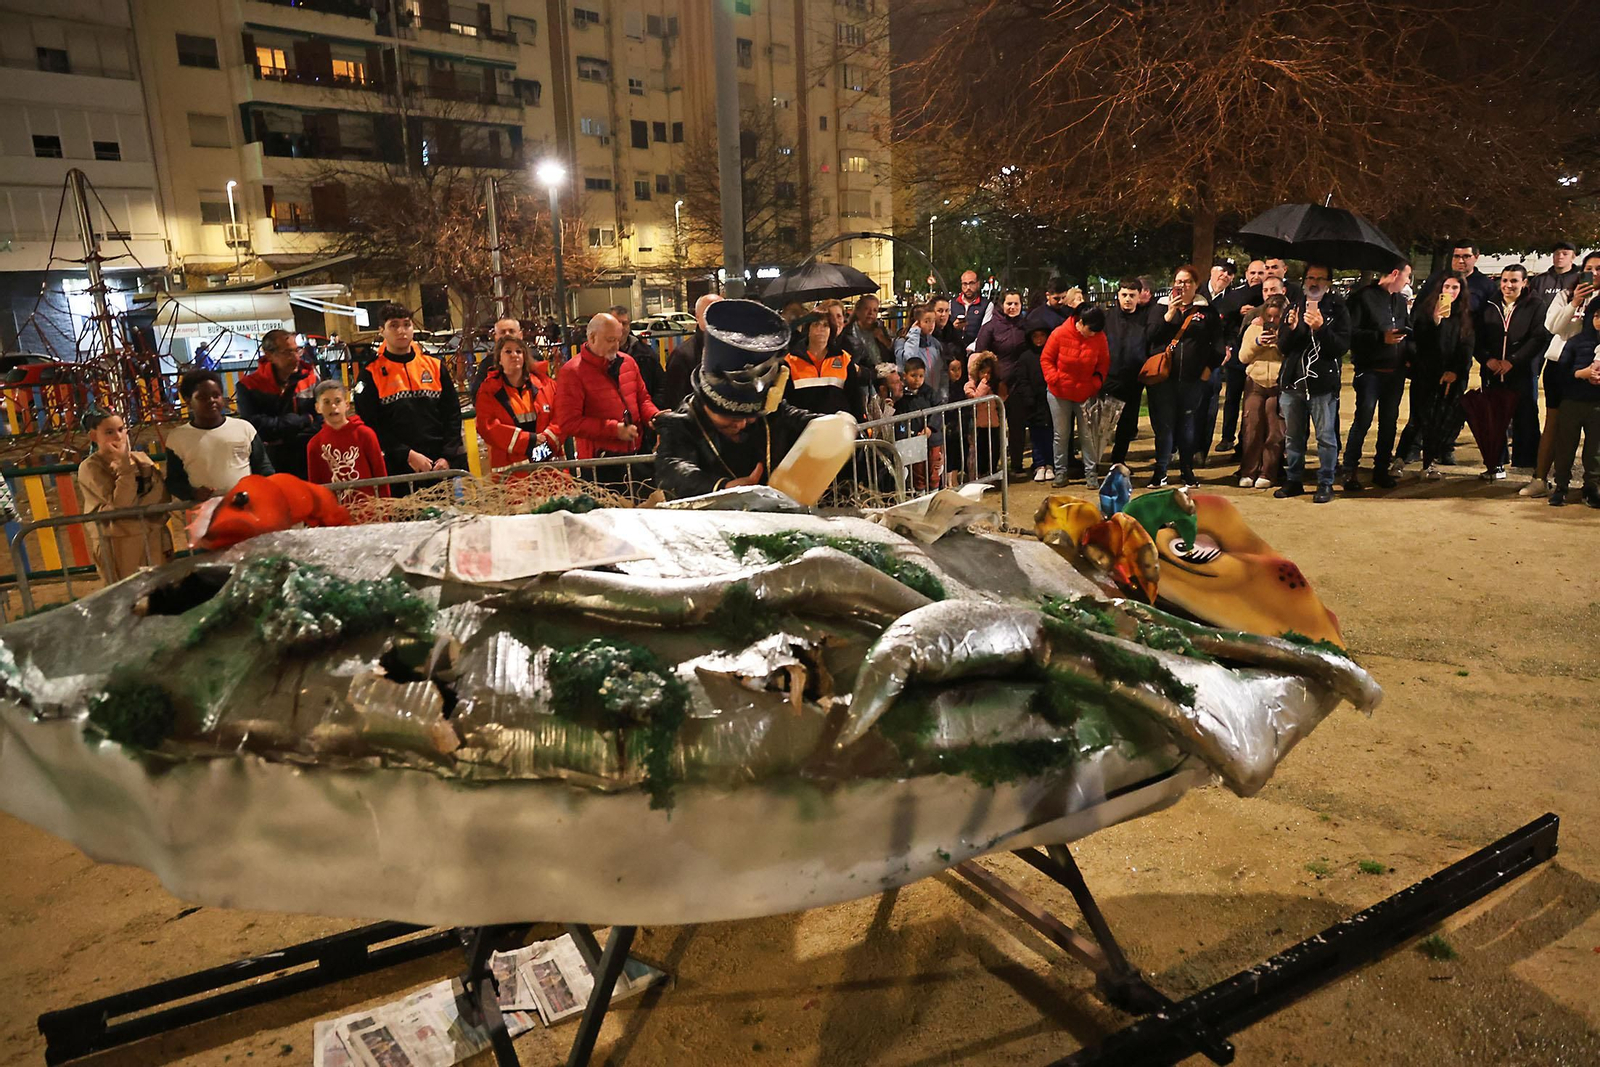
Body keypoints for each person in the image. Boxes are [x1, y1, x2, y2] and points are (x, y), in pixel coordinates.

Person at [655, 299, 815, 499]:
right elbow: (672, 470)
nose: (740, 424)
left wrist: (835, 425)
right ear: (707, 404)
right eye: (730, 417)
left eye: (748, 417)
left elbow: (803, 421)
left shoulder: (771, 412)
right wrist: (725, 488)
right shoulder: (680, 424)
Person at [352, 303, 468, 494]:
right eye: (394, 325)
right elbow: (371, 424)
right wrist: (406, 454)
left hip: (440, 466)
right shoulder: (370, 373)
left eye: (406, 324)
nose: (401, 331)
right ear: (381, 331)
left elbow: (452, 414)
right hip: (399, 470)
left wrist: (447, 456)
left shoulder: (435, 366)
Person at [1523, 254, 1600, 496]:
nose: (1594, 273)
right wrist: (1575, 302)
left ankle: (1592, 484)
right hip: (1560, 364)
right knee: (1554, 423)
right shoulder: (1567, 294)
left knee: (1594, 428)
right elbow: (1553, 327)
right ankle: (1540, 478)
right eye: (1589, 268)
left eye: (1599, 269)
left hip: (1592, 364)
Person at [1274, 263, 1351, 503]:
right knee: (1294, 437)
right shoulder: (1294, 306)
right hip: (1293, 384)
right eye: (1310, 278)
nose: (1314, 282)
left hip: (1321, 385)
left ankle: (1325, 483)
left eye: (1320, 278)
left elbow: (1341, 347)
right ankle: (1294, 480)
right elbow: (1283, 347)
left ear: (1328, 283)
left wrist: (1321, 328)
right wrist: (1292, 328)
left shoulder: (1338, 309)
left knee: (1326, 438)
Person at [1340, 259, 1414, 491]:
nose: (1408, 281)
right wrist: (1380, 338)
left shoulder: (1400, 301)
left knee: (1389, 422)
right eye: (1407, 276)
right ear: (1395, 273)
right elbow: (1351, 332)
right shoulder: (1363, 297)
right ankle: (1350, 469)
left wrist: (1409, 351)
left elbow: (1407, 327)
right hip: (1370, 370)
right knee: (1363, 419)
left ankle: (1381, 468)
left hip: (1396, 371)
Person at [1146, 265, 1221, 488]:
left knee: (1187, 426)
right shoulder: (1159, 308)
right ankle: (1160, 472)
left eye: (1187, 282)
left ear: (1196, 285)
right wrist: (1168, 315)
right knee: (1165, 427)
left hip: (1192, 380)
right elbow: (1150, 336)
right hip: (1164, 380)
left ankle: (1186, 470)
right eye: (1178, 281)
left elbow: (1217, 345)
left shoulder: (1207, 311)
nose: (1182, 286)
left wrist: (1207, 371)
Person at [77, 410, 172, 582]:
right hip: (117, 542)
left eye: (121, 429)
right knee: (126, 596)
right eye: (109, 432)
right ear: (93, 435)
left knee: (159, 591)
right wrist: (125, 469)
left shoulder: (141, 458)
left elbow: (162, 496)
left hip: (151, 537)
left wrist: (136, 507)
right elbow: (121, 503)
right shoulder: (91, 467)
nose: (118, 436)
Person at [553, 312, 661, 461]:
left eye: (618, 340)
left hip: (636, 453)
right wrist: (614, 430)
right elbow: (568, 422)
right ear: (592, 338)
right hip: (600, 460)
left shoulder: (627, 362)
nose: (616, 346)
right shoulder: (572, 372)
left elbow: (642, 399)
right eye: (610, 340)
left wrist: (654, 415)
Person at [1475, 265, 1549, 478]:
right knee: (1494, 417)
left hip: (1521, 370)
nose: (1508, 285)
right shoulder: (1489, 304)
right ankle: (1495, 463)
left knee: (1526, 415)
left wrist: (1513, 361)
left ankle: (1527, 463)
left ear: (1524, 282)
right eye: (1505, 280)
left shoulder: (1536, 304)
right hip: (1492, 370)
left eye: (1514, 281)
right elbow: (1477, 337)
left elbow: (1538, 337)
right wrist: (1487, 359)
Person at [1398, 274, 1475, 479]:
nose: (1450, 291)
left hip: (1449, 377)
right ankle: (1399, 459)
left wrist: (1456, 371)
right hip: (1424, 374)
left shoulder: (1464, 316)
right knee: (1417, 418)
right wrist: (1436, 321)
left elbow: (1466, 347)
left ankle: (1428, 464)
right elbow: (1417, 342)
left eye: (1455, 287)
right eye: (1447, 286)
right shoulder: (1425, 312)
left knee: (1437, 421)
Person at [165, 369, 274, 501]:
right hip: (203, 514)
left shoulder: (244, 428)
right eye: (202, 397)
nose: (211, 401)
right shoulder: (177, 438)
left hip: (245, 509)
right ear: (188, 401)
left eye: (216, 395)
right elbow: (174, 482)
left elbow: (263, 468)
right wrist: (193, 493)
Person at [236, 328, 320, 479]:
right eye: (287, 352)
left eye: (297, 351)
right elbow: (255, 428)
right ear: (269, 355)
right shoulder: (249, 386)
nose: (295, 358)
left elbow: (322, 418)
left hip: (307, 458)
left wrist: (285, 433)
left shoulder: (310, 377)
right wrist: (302, 421)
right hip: (271, 463)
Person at [1040, 306, 1109, 489]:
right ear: (1081, 323)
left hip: (1085, 392)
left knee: (1088, 435)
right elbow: (1046, 359)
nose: (1093, 334)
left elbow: (1103, 362)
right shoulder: (1059, 333)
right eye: (1090, 330)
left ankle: (1091, 474)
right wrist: (1055, 379)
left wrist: (1096, 382)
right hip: (1059, 392)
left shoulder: (1099, 337)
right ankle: (1061, 473)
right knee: (1061, 434)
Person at [475, 334, 561, 472]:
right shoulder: (489, 391)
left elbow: (560, 417)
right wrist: (529, 440)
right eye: (508, 351)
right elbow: (488, 427)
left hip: (549, 471)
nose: (514, 355)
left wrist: (546, 440)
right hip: (511, 478)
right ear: (499, 359)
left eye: (519, 351)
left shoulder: (546, 385)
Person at [972, 290, 1032, 479]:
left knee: (1017, 426)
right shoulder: (990, 327)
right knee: (992, 429)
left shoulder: (1026, 326)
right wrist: (989, 379)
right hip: (995, 386)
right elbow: (980, 355)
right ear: (1002, 305)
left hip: (1018, 384)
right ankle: (991, 467)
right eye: (1009, 304)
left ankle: (1016, 465)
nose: (1012, 307)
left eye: (1016, 304)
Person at [1546, 299, 1600, 508]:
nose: (1599, 321)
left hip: (1597, 405)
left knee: (1595, 449)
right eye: (1596, 315)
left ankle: (1592, 487)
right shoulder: (1576, 342)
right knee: (1565, 445)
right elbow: (1561, 372)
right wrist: (1581, 373)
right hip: (1572, 401)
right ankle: (1561, 486)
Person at [305, 379, 390, 500]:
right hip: (336, 515)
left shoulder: (365, 435)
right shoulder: (314, 445)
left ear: (347, 404)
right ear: (318, 407)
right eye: (326, 402)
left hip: (369, 512)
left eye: (337, 401)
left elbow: (380, 475)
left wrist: (385, 509)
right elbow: (316, 486)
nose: (333, 406)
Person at [1235, 296, 1287, 489]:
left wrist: (1279, 342)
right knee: (1252, 427)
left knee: (1275, 430)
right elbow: (1242, 357)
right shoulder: (1254, 328)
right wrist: (1258, 342)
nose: (1272, 322)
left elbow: (1291, 354)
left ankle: (1268, 472)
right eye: (1269, 317)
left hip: (1278, 384)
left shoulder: (1290, 332)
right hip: (1255, 382)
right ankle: (1248, 471)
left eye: (1277, 317)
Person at [1103, 278, 1151, 469]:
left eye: (1132, 295)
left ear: (1139, 296)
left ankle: (1118, 460)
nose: (1128, 299)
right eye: (1124, 295)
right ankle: (1094, 462)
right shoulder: (1107, 318)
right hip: (1109, 378)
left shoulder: (1146, 319)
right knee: (1102, 424)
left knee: (1127, 424)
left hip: (1133, 380)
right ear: (1118, 295)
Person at [785, 311, 865, 419]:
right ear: (807, 329)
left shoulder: (844, 358)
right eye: (815, 325)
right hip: (803, 429)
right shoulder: (790, 360)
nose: (821, 329)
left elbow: (855, 397)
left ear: (831, 330)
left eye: (826, 325)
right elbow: (785, 402)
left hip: (837, 427)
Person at [662, 293, 723, 410]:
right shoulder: (683, 355)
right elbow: (675, 402)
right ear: (697, 316)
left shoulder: (734, 351)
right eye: (709, 314)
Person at [1017, 310, 1056, 481]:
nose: (1039, 340)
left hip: (1051, 401)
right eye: (1035, 336)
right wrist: (1028, 398)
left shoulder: (1053, 355)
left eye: (1042, 336)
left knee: (1052, 434)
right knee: (1036, 435)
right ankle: (1039, 463)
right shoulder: (1026, 357)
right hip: (1033, 404)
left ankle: (1050, 464)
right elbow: (1022, 379)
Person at [895, 356, 944, 489]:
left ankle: (934, 493)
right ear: (905, 375)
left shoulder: (929, 393)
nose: (917, 379)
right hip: (914, 440)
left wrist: (930, 428)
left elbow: (938, 409)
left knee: (934, 468)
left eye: (921, 376)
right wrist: (906, 434)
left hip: (933, 439)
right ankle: (920, 494)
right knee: (918, 471)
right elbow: (900, 419)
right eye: (913, 375)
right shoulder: (902, 397)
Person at [613, 305, 666, 410]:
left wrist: (651, 413)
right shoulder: (599, 355)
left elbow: (661, 387)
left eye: (624, 323)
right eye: (616, 323)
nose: (620, 328)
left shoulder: (646, 354)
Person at [965, 351, 1003, 478]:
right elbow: (977, 398)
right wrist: (984, 384)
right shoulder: (970, 386)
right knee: (981, 453)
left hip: (994, 424)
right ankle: (981, 475)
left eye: (989, 373)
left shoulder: (994, 385)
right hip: (979, 426)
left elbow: (1002, 398)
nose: (986, 376)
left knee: (994, 451)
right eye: (983, 372)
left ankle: (992, 473)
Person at [841, 295, 893, 381]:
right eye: (866, 309)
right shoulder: (848, 332)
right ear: (858, 311)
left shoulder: (880, 328)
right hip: (862, 376)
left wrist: (882, 338)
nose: (870, 313)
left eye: (874, 310)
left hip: (883, 373)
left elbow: (890, 352)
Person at [1528, 242, 1579, 308]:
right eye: (1557, 254)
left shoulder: (1579, 278)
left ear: (1573, 257)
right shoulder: (1539, 280)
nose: (1560, 257)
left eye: (1565, 254)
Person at [952, 270, 990, 345]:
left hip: (976, 349)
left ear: (978, 284)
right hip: (954, 347)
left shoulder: (987, 305)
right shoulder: (952, 303)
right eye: (965, 284)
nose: (968, 287)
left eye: (971, 283)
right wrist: (953, 327)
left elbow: (985, 332)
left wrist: (973, 347)